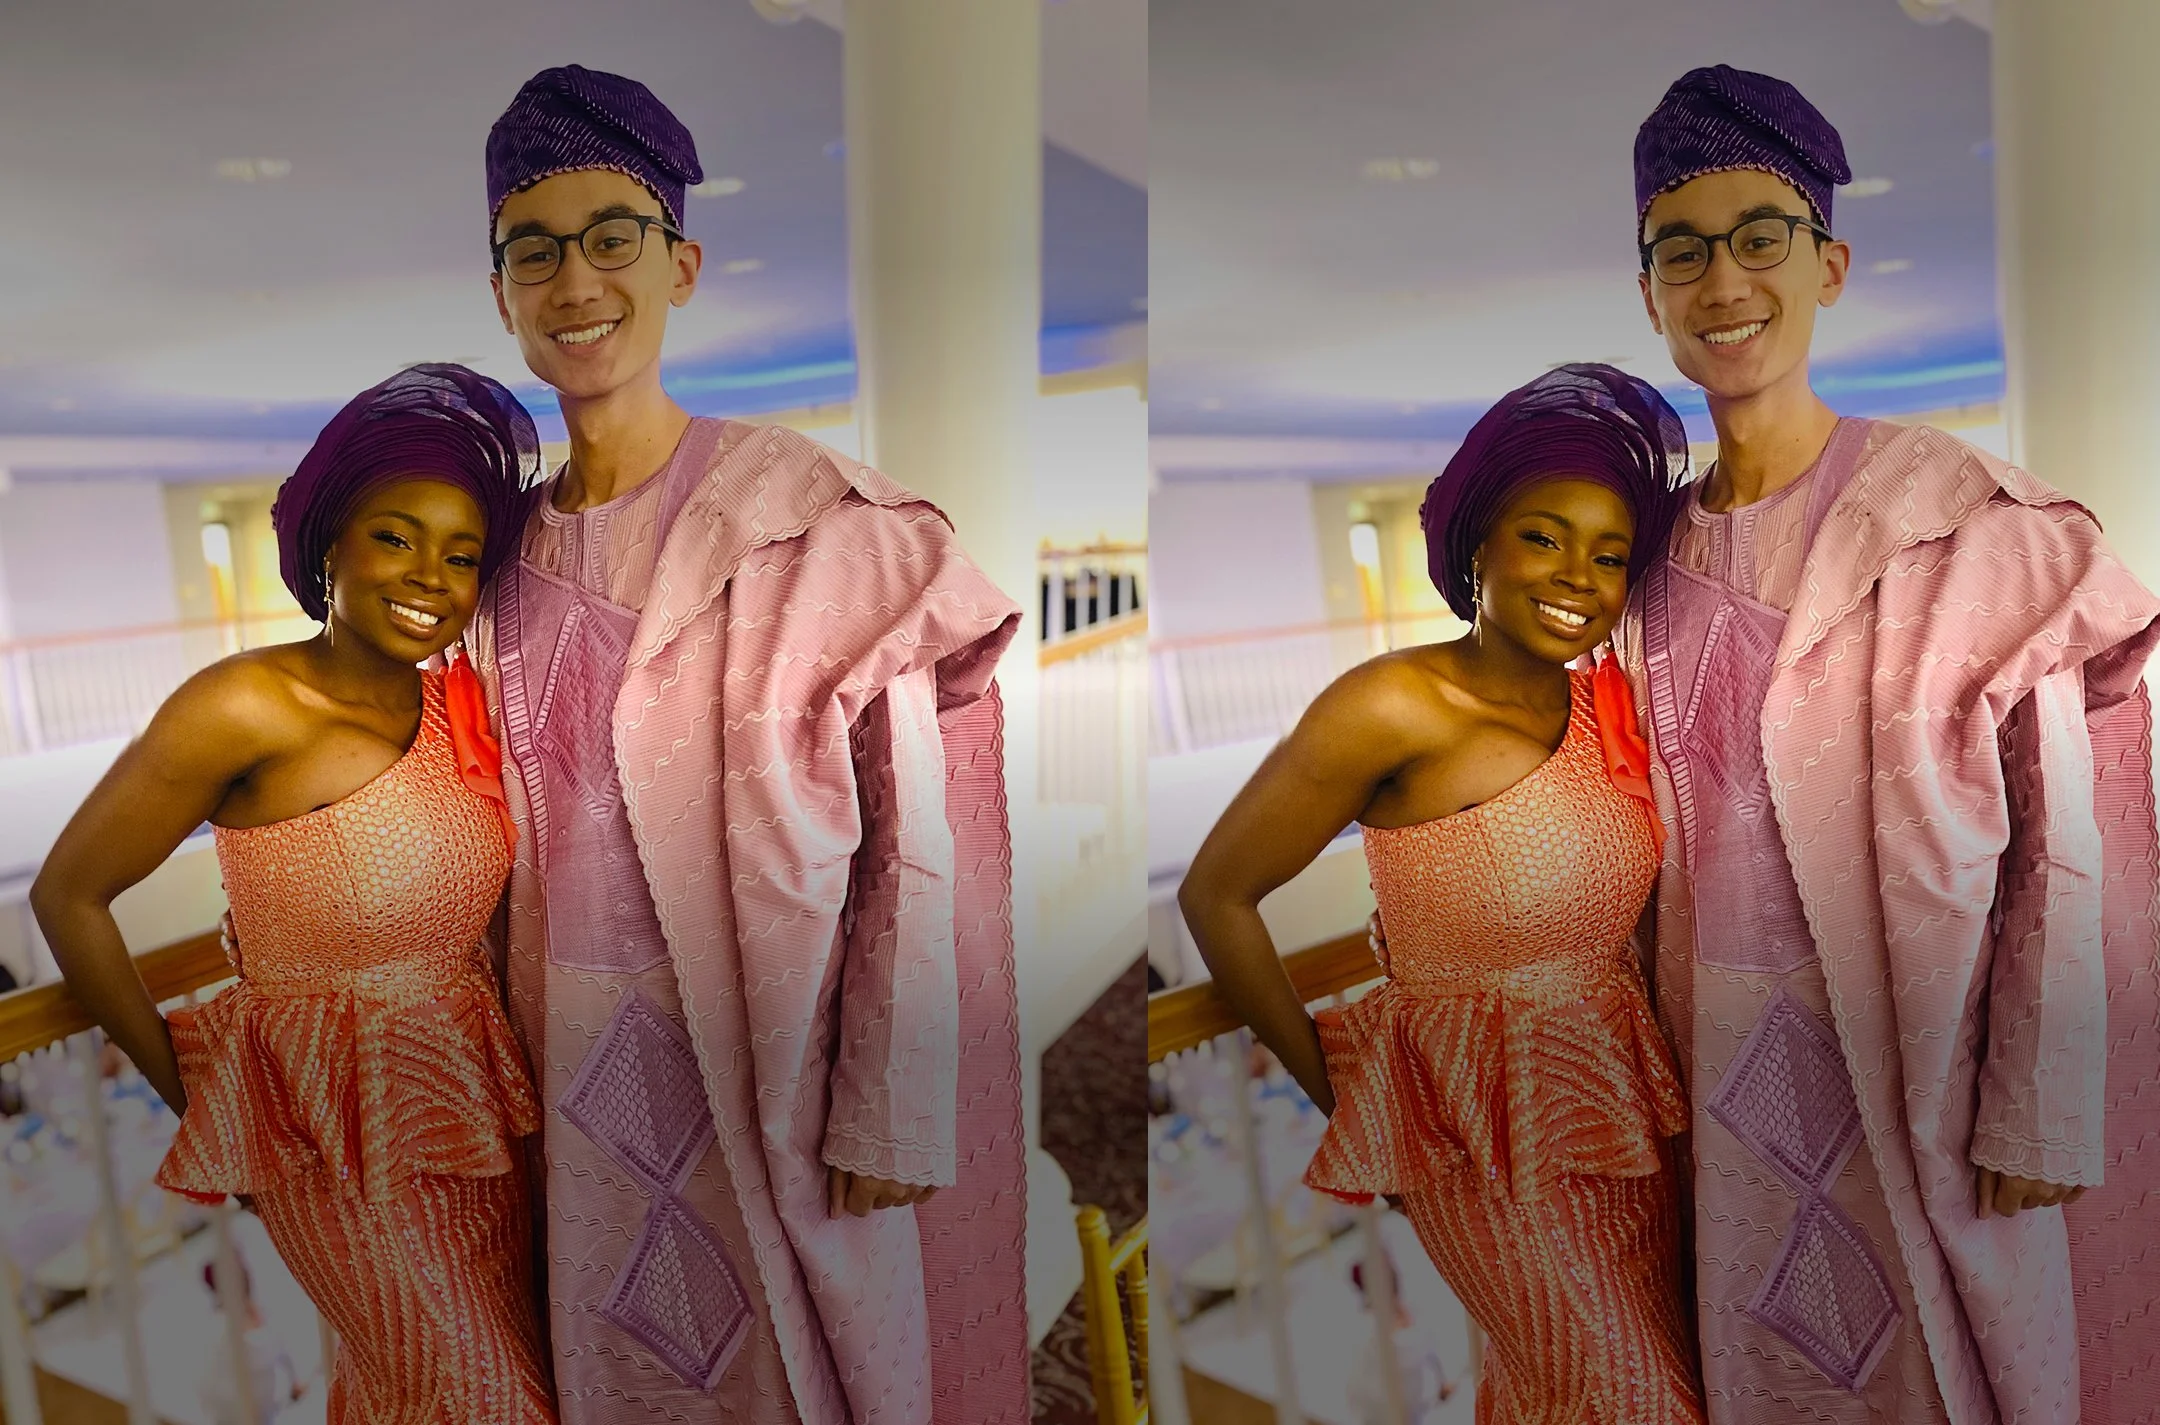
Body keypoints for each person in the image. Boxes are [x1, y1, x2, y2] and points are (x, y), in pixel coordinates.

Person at [468, 65, 1029, 1423]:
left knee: (819, 1374)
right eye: (532, 250)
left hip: (782, 1050)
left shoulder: (810, 520)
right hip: (580, 1060)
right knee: (629, 1375)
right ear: (500, 290)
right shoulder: (491, 563)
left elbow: (915, 834)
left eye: (614, 237)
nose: (575, 280)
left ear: (683, 265)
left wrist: (892, 1103)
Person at [1621, 64, 2160, 1423]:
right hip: (1728, 1074)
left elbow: (2064, 837)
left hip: (1932, 1068)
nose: (1723, 280)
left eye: (1761, 237)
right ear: (1648, 290)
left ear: (1831, 265)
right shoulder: (1642, 563)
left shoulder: (1959, 521)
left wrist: (2042, 1101)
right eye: (1682, 250)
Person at [30, 365, 556, 1423]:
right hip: (327, 1137)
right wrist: (191, 1088)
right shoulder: (243, 704)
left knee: (429, 1388)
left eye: (461, 556)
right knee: (483, 1402)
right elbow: (68, 894)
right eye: (395, 537)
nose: (429, 577)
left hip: (473, 1109)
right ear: (330, 547)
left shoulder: (457, 703)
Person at [1180, 364, 1704, 1425]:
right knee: (1632, 1403)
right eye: (1544, 537)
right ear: (1479, 547)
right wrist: (1342, 1089)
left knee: (1576, 1390)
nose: (1577, 576)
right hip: (1474, 1135)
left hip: (1623, 1109)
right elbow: (1216, 894)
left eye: (1609, 556)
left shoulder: (1607, 704)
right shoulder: (1391, 704)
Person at [1345, 1254, 1458, 1425]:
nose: (1394, 1276)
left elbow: (1431, 1351)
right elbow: (1364, 1393)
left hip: (1416, 1410)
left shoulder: (1412, 1310)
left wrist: (1442, 1383)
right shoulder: (1368, 1330)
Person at [195, 1258, 305, 1425]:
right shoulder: (221, 1328)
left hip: (258, 1409)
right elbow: (268, 1350)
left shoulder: (257, 1312)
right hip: (238, 1412)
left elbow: (281, 1350)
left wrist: (294, 1381)